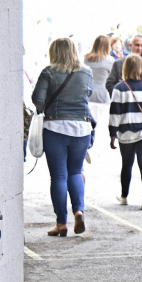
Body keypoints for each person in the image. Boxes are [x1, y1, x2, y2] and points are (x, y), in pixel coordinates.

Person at [31, 38, 94, 237]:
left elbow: (38, 101)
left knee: (58, 176)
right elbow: (88, 94)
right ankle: (78, 211)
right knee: (75, 172)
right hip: (82, 129)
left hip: (55, 127)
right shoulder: (87, 72)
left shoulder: (48, 72)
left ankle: (61, 223)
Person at [108, 55, 142, 210]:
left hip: (126, 133)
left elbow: (115, 114)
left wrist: (112, 134)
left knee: (126, 165)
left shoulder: (119, 88)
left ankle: (124, 196)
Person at [83, 35, 115, 148]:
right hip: (103, 95)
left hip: (87, 93)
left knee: (88, 120)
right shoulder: (110, 61)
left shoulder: (86, 59)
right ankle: (94, 143)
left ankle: (87, 140)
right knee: (99, 123)